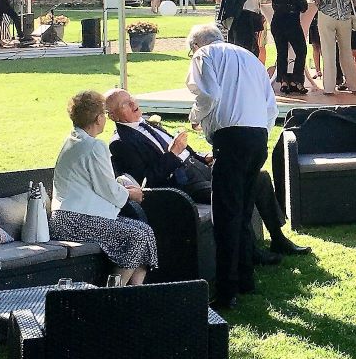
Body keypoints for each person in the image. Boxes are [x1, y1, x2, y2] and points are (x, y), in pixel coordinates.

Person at [104, 89, 306, 260]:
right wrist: (172, 154)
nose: (133, 104)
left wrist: (204, 157)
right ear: (113, 116)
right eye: (125, 104)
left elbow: (186, 151)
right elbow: (146, 181)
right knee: (236, 189)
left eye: (131, 99)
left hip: (198, 168)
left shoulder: (148, 123)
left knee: (259, 176)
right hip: (182, 185)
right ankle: (249, 251)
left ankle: (278, 238)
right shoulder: (121, 142)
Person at [186, 24, 279, 307]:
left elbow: (209, 95)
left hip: (232, 136)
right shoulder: (250, 57)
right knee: (242, 210)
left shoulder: (204, 56)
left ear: (196, 46)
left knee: (225, 215)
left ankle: (226, 291)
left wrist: (195, 117)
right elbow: (271, 106)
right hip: (257, 135)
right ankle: (245, 277)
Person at [50, 91, 157, 285]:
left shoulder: (74, 140)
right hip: (74, 221)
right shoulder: (94, 146)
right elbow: (108, 190)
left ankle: (137, 294)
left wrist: (121, 187)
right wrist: (132, 194)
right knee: (137, 236)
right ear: (99, 118)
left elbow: (98, 183)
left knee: (144, 231)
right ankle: (112, 297)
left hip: (72, 217)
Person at [307, 0, 356, 96]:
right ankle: (353, 84)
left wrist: (319, 2)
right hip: (345, 17)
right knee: (346, 51)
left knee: (328, 52)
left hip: (327, 15)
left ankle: (329, 87)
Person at [268, 0, 310, 94]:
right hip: (292, 22)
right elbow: (304, 7)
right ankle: (296, 80)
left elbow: (274, 6)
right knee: (301, 51)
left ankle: (283, 80)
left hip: (277, 22)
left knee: (282, 52)